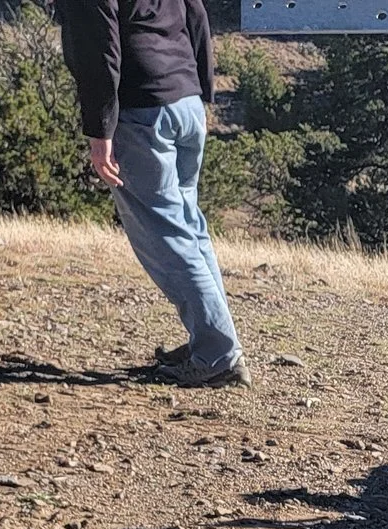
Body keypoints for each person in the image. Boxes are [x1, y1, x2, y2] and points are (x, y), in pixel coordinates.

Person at [58, 0, 249, 388]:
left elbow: (99, 46)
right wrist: (201, 89)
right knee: (188, 227)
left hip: (141, 109)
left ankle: (217, 354)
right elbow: (196, 13)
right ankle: (211, 342)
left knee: (166, 235)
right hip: (185, 101)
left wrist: (101, 130)